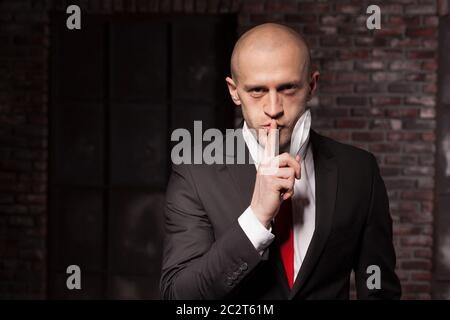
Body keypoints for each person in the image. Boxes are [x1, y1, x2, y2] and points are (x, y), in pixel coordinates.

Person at [160, 23, 401, 299]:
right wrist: (257, 217)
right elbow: (178, 296)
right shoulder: (195, 174)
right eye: (257, 91)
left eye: (287, 89)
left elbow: (379, 290)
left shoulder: (359, 172)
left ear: (311, 85)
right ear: (234, 91)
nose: (273, 109)